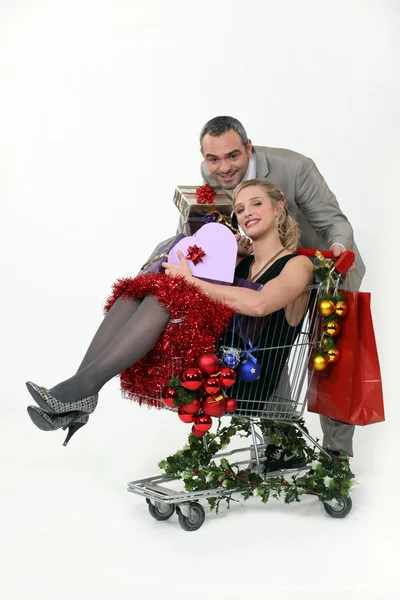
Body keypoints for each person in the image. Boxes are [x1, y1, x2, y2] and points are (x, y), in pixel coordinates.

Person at [26, 181, 314, 456]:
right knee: (136, 293)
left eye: (256, 204)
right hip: (205, 361)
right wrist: (228, 256)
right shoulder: (240, 263)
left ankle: (80, 391)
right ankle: (81, 389)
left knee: (165, 295)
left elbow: (260, 304)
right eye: (239, 209)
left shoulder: (298, 264)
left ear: (278, 208)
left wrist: (192, 281)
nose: (247, 212)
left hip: (235, 377)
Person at [193, 115, 364, 462]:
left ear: (249, 148)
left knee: (329, 357)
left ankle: (337, 452)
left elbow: (334, 221)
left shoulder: (296, 167)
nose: (223, 168)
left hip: (324, 266)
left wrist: (338, 253)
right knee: (267, 345)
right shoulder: (211, 173)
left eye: (233, 156)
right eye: (213, 159)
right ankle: (283, 444)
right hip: (269, 266)